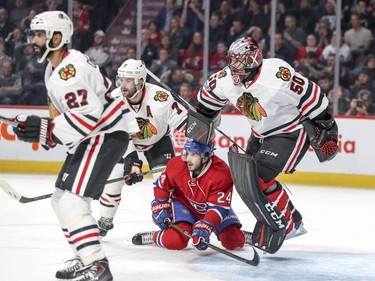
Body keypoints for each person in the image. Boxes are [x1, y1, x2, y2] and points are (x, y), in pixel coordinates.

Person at [11, 11, 139, 281]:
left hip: (104, 135)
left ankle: (97, 264)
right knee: (60, 199)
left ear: (57, 38)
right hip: (95, 135)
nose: (33, 40)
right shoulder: (56, 67)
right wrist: (46, 131)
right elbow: (72, 115)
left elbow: (88, 116)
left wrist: (47, 130)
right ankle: (83, 257)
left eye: (39, 34)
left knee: (71, 201)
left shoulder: (68, 72)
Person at [185, 37, 338, 254]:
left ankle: (289, 224)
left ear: (252, 59)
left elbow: (315, 99)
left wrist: (327, 127)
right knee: (246, 180)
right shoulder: (225, 79)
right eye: (232, 60)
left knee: (258, 177)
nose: (233, 65)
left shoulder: (278, 76)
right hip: (260, 133)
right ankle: (290, 219)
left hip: (290, 131)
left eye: (238, 61)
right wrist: (201, 119)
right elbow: (207, 104)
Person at [97, 59, 188, 237]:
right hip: (127, 143)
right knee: (114, 179)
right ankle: (105, 218)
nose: (123, 85)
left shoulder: (159, 98)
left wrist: (199, 133)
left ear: (140, 81)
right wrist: (132, 161)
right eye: (121, 79)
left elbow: (185, 123)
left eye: (128, 80)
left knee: (167, 183)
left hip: (158, 142)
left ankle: (172, 220)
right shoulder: (114, 100)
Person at [132, 139, 246, 252]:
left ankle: (236, 230)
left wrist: (206, 225)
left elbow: (218, 207)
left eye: (194, 154)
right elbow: (162, 186)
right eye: (187, 153)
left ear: (205, 157)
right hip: (185, 204)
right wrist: (160, 204)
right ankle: (154, 237)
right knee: (175, 240)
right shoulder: (176, 164)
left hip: (210, 208)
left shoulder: (222, 173)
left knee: (234, 240)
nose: (188, 159)